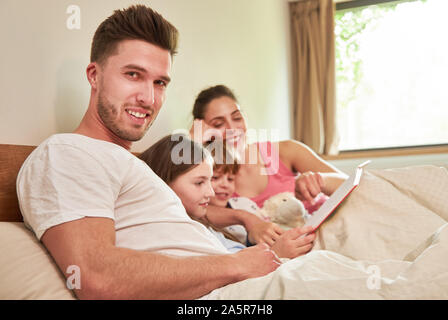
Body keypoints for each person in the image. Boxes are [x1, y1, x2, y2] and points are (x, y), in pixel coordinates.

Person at [16, 5, 281, 300]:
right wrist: (236, 265)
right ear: (94, 75)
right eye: (133, 74)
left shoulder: (136, 166)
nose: (148, 98)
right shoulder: (67, 153)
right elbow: (97, 277)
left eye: (160, 82)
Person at [190, 84, 348, 246]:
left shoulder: (286, 151)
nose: (232, 129)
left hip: (331, 234)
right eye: (218, 124)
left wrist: (320, 180)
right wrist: (193, 144)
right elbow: (189, 209)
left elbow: (352, 183)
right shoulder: (212, 180)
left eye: (237, 118)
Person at [139, 134, 316, 259]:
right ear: (163, 183)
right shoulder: (178, 233)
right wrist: (276, 254)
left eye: (210, 180)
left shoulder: (205, 224)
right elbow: (229, 269)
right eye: (200, 183)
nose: (211, 192)